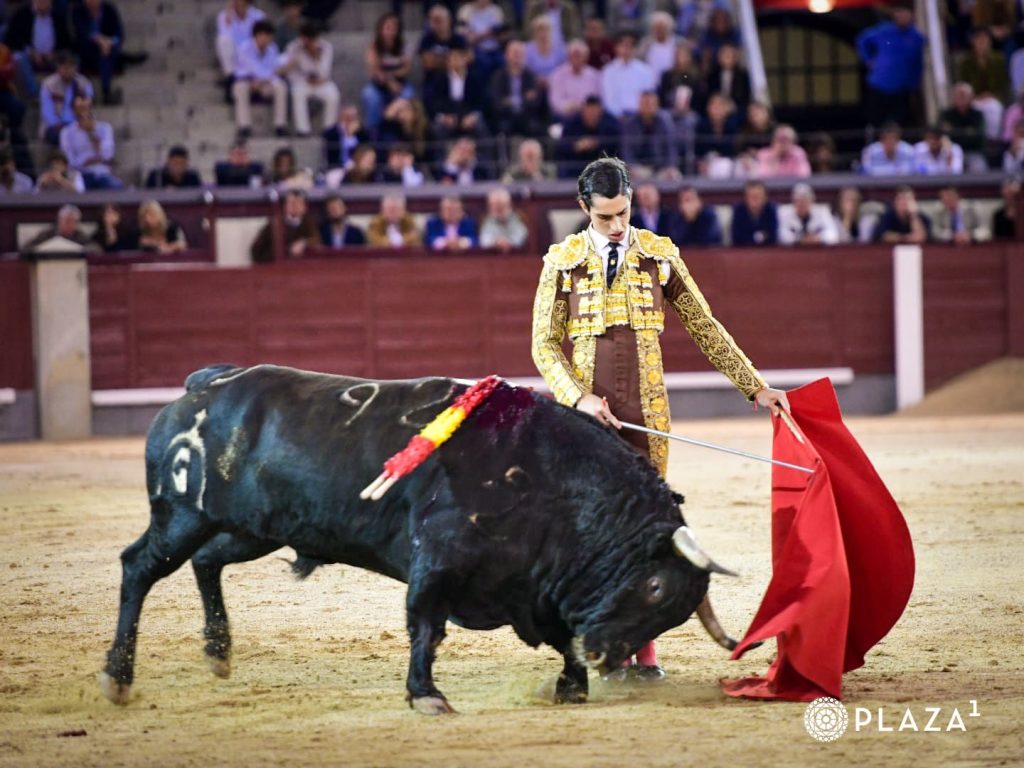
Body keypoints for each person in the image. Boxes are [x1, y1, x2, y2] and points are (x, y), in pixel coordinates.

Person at [530, 157, 789, 679]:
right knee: (594, 532)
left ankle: (643, 647)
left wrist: (754, 386)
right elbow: (542, 346)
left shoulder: (659, 254)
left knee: (648, 531)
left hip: (647, 412)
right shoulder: (562, 261)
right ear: (584, 209)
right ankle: (602, 643)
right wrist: (578, 398)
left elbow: (704, 325)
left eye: (623, 213)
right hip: (587, 419)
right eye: (604, 218)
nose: (617, 226)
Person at [855, 3, 924, 127]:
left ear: (912, 15)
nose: (902, 16)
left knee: (899, 121)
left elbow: (917, 64)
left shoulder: (917, 37)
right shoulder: (884, 30)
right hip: (879, 85)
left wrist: (914, 85)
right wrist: (867, 59)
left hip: (901, 88)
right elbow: (862, 40)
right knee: (875, 120)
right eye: (899, 12)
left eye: (905, 13)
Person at [280, 22, 339, 137]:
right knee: (297, 92)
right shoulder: (293, 47)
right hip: (302, 82)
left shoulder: (326, 47)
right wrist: (304, 79)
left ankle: (328, 129)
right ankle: (303, 130)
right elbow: (291, 73)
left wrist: (316, 56)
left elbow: (325, 72)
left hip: (321, 82)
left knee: (333, 94)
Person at [232, 19, 287, 138]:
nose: (265, 39)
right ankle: (244, 126)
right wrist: (254, 80)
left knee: (280, 86)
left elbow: (275, 70)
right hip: (248, 82)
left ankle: (280, 125)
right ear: (255, 36)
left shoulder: (273, 49)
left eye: (268, 36)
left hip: (265, 83)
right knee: (239, 87)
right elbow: (246, 69)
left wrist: (263, 80)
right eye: (261, 35)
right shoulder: (244, 48)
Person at [3, 0, 72, 97]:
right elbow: (11, 40)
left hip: (52, 58)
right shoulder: (21, 14)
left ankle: (67, 95)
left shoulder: (58, 16)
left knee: (68, 59)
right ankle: (35, 95)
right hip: (29, 58)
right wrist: (30, 52)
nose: (42, 2)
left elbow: (67, 43)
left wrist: (55, 54)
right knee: (18, 57)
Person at [361, 13, 413, 132]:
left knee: (407, 97)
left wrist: (392, 77)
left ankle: (403, 132)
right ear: (381, 29)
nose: (391, 32)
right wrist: (389, 82)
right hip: (378, 84)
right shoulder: (374, 47)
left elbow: (406, 69)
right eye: (388, 28)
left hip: (401, 83)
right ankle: (372, 132)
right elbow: (374, 70)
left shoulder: (404, 46)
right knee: (371, 98)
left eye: (394, 28)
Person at [59, 94, 122, 189]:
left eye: (86, 107)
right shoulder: (66, 132)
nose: (83, 111)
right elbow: (69, 160)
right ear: (74, 110)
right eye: (80, 108)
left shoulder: (104, 128)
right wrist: (85, 162)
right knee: (75, 188)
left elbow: (108, 155)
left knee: (116, 186)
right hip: (80, 174)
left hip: (102, 173)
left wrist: (92, 133)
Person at [957, 27, 1008, 139]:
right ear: (973, 42)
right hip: (973, 98)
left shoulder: (998, 59)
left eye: (984, 39)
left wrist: (992, 95)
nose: (982, 43)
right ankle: (978, 139)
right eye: (978, 39)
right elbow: (963, 84)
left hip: (993, 97)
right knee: (976, 109)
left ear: (990, 41)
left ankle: (993, 140)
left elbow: (1003, 83)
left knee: (994, 107)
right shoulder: (966, 62)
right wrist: (973, 97)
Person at [71, 0, 124, 104]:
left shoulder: (109, 10)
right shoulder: (78, 10)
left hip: (106, 49)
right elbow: (80, 31)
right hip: (86, 48)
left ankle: (104, 92)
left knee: (107, 54)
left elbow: (119, 34)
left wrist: (109, 42)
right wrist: (98, 40)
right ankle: (93, 92)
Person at [490, 39, 546, 137]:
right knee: (500, 128)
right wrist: (524, 99)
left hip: (527, 117)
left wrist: (509, 101)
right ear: (506, 55)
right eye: (514, 53)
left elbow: (535, 102)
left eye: (520, 53)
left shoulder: (531, 77)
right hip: (505, 117)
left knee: (538, 129)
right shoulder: (498, 77)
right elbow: (497, 102)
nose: (517, 56)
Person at [620, 90, 679, 179]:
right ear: (639, 105)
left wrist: (670, 166)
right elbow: (627, 150)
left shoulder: (665, 122)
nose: (648, 107)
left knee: (675, 176)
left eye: (650, 104)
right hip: (639, 167)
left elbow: (671, 147)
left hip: (661, 167)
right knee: (627, 177)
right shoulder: (630, 123)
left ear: (657, 105)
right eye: (645, 104)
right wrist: (631, 167)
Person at [250, 188, 320, 263]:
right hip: (278, 269)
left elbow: (317, 242)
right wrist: (288, 251)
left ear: (305, 208)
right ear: (285, 206)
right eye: (291, 202)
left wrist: (304, 243)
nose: (294, 206)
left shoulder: (309, 223)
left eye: (298, 202)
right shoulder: (275, 225)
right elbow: (257, 251)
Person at [557, 95, 621, 177]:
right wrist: (576, 146)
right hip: (577, 166)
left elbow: (617, 144)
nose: (591, 116)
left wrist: (597, 143)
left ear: (600, 111)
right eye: (588, 112)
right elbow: (562, 146)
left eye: (594, 113)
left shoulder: (611, 123)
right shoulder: (572, 123)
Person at [38, 51, 93, 145]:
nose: (67, 70)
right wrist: (57, 124)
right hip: (54, 126)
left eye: (70, 67)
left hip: (77, 123)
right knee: (60, 136)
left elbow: (88, 102)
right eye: (64, 67)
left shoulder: (83, 83)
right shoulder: (48, 85)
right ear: (58, 67)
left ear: (76, 68)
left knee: (87, 133)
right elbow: (46, 111)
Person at [600, 32, 656, 118]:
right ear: (616, 48)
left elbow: (648, 96)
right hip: (615, 117)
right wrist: (618, 115)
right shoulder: (608, 71)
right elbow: (608, 99)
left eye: (630, 46)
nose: (626, 49)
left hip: (640, 117)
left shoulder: (645, 70)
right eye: (623, 45)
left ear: (635, 49)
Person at [548, 38, 601, 121]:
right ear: (568, 57)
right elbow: (555, 100)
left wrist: (584, 108)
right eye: (574, 55)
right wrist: (569, 106)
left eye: (579, 55)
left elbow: (597, 98)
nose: (576, 58)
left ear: (586, 57)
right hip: (565, 115)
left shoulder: (594, 75)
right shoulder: (557, 75)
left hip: (588, 116)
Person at [215, 0, 266, 81]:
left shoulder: (258, 16)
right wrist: (228, 19)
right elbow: (225, 37)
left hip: (252, 52)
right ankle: (230, 77)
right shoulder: (223, 16)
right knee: (223, 40)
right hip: (235, 54)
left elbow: (261, 38)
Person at [940, 82, 988, 167]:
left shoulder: (977, 114)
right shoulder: (946, 114)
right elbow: (943, 135)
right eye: (957, 96)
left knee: (979, 168)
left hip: (973, 151)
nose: (960, 99)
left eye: (963, 96)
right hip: (951, 152)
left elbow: (979, 137)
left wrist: (953, 131)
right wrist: (967, 132)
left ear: (971, 97)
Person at [24, 204, 97, 249]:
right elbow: (27, 248)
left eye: (73, 222)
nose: (70, 225)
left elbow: (95, 249)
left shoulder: (80, 236)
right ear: (59, 220)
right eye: (67, 221)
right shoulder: (48, 234)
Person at [704, 43, 749, 116]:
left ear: (735, 58)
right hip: (716, 109)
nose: (726, 58)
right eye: (723, 55)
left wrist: (731, 105)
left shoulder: (743, 76)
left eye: (729, 55)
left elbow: (744, 98)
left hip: (736, 110)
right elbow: (709, 94)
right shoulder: (712, 75)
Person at [730, 180, 777, 246]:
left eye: (757, 196)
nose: (754, 200)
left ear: (765, 198)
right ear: (745, 198)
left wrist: (751, 237)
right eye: (751, 196)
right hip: (743, 251)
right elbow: (737, 237)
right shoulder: (738, 210)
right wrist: (761, 236)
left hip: (767, 251)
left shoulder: (771, 210)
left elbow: (773, 236)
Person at [323, 104, 370, 170]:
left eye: (353, 117)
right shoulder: (331, 133)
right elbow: (332, 155)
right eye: (347, 117)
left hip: (357, 168)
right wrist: (347, 135)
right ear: (341, 117)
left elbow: (365, 150)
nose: (350, 120)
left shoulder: (362, 133)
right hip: (337, 167)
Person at [524, 15, 566, 80]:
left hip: (557, 82)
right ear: (534, 33)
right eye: (539, 30)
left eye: (545, 30)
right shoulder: (527, 49)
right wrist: (538, 79)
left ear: (551, 31)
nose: (543, 34)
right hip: (534, 83)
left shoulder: (560, 47)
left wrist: (551, 79)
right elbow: (526, 70)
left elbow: (564, 68)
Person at [640, 11, 677, 79]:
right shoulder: (646, 43)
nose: (659, 30)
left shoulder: (675, 43)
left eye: (661, 27)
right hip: (650, 79)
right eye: (656, 27)